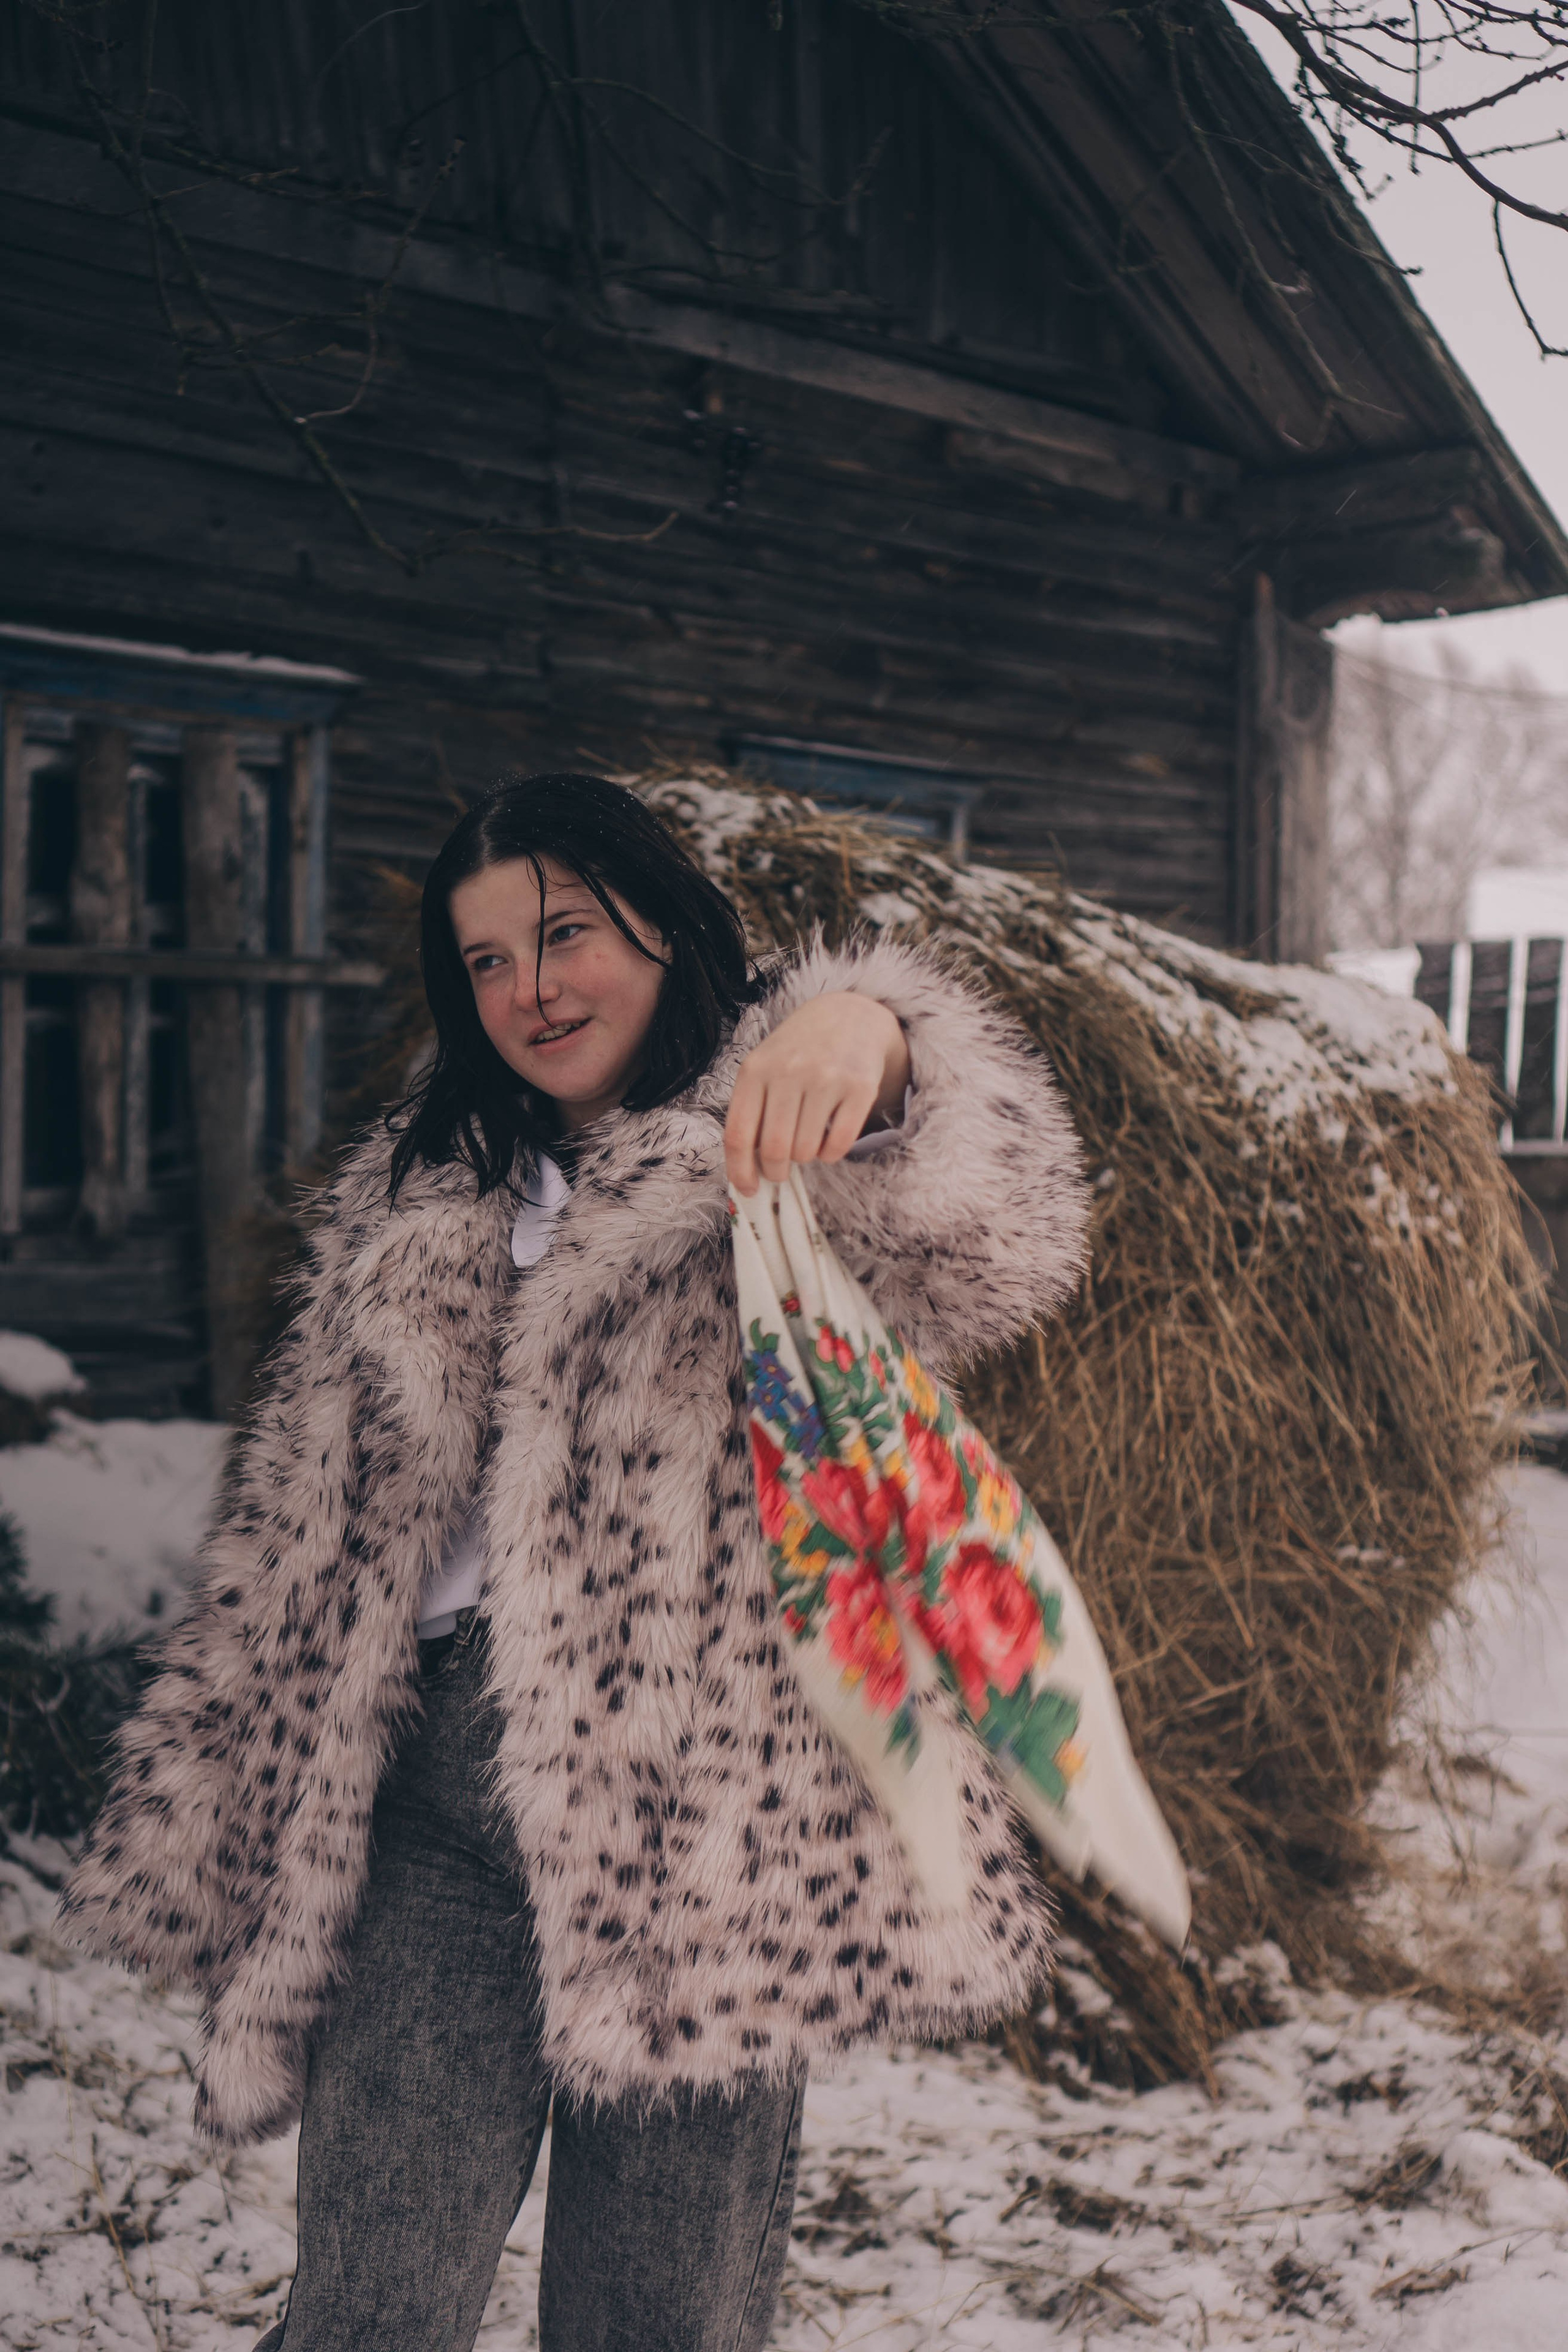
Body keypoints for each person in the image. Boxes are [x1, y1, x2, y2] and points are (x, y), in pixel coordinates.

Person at [60, 773, 1091, 2351]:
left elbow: (1004, 1232)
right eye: (483, 960)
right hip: (429, 1804)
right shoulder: (427, 1192)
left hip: (710, 1825)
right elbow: (305, 1534)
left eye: (564, 935)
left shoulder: (783, 1154)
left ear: (665, 927)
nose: (528, 990)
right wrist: (227, 1791)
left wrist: (877, 1031)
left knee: (663, 2322)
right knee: (369, 2313)